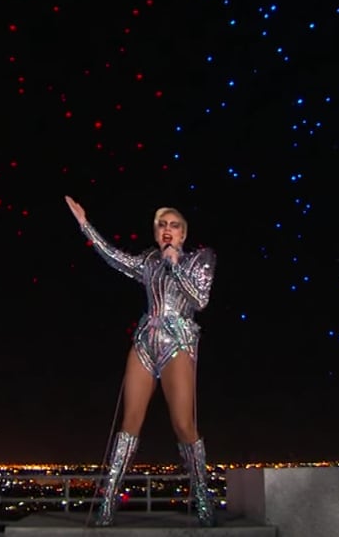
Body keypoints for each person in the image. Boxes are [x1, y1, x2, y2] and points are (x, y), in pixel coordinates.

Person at [64, 195, 217, 527]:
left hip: (178, 341)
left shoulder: (200, 258)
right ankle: (107, 505)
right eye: (161, 225)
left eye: (173, 225)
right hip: (146, 340)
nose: (167, 230)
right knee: (129, 421)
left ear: (183, 233)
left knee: (183, 423)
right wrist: (85, 225)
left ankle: (204, 501)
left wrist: (175, 264)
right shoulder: (148, 261)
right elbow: (114, 257)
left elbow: (200, 300)